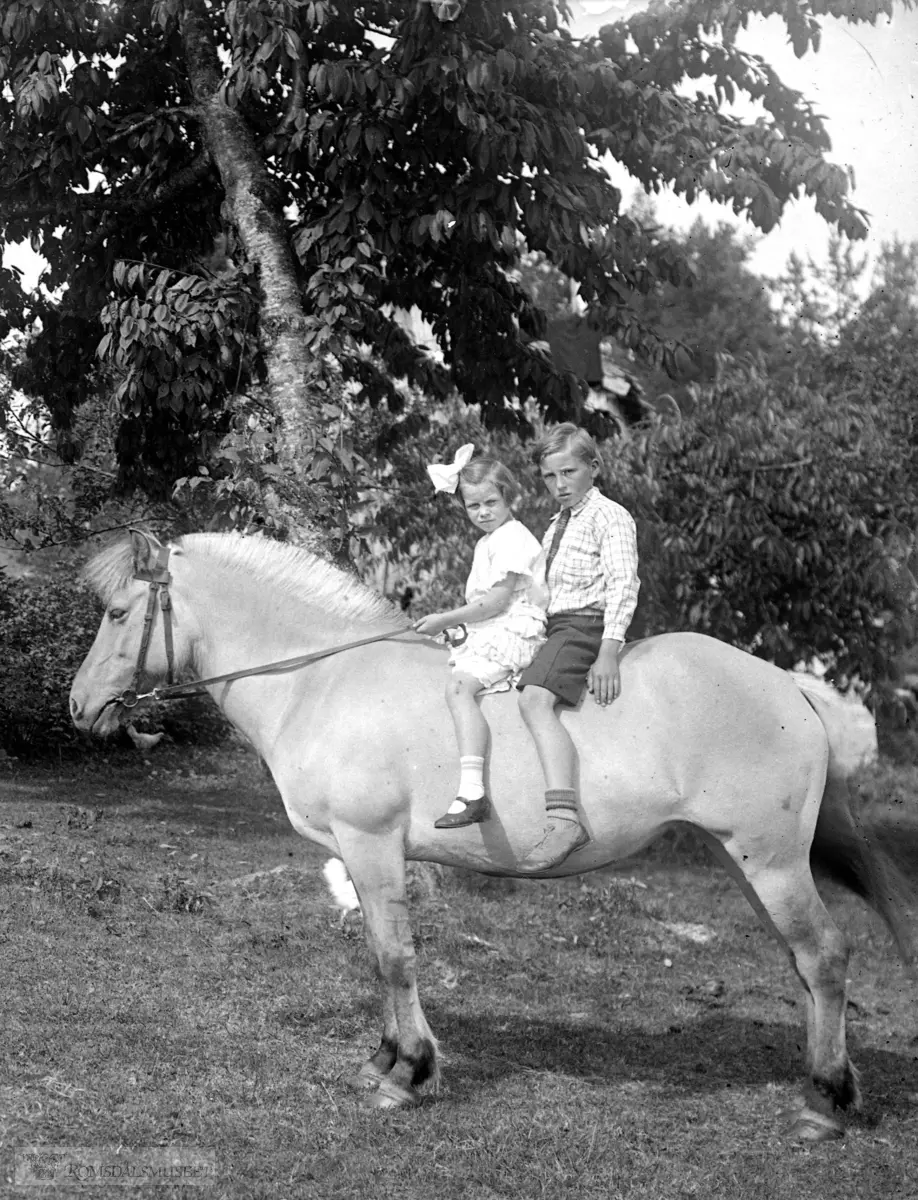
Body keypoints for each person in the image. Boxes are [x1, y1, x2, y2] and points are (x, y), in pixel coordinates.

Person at [516, 423, 640, 871]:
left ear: (594, 467)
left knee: (534, 701)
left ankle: (564, 817)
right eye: (550, 477)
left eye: (568, 472)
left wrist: (609, 648)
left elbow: (623, 583)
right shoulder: (557, 524)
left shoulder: (610, 516)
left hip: (585, 627)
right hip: (555, 625)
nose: (559, 485)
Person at [414, 445, 548, 829]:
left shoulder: (512, 538)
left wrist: (444, 618)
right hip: (492, 626)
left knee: (458, 689)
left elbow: (495, 603)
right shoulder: (487, 542)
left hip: (512, 630)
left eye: (491, 502)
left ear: (509, 498)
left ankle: (472, 791)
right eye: (474, 507)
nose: (483, 512)